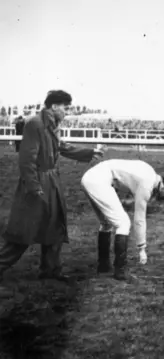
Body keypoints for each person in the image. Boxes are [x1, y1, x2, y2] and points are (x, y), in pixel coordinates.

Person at [0, 90, 103, 298]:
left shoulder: (52, 124)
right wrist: (34, 186)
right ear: (54, 106)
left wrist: (88, 152)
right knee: (24, 231)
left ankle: (50, 270)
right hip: (37, 183)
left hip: (52, 181)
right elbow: (26, 159)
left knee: (55, 224)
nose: (67, 112)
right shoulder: (35, 124)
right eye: (66, 108)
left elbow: (60, 147)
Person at [80, 159, 164, 280]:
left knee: (106, 222)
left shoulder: (149, 172)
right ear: (163, 188)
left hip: (90, 177)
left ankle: (103, 266)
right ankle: (120, 270)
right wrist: (142, 249)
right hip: (98, 180)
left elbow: (124, 181)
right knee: (123, 223)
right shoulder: (147, 184)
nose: (163, 200)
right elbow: (139, 219)